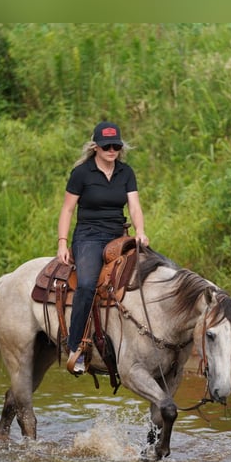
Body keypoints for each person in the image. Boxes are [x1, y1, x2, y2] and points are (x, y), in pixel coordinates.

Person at [57, 121, 149, 374]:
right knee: (86, 285)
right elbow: (67, 209)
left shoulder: (126, 172)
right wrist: (62, 243)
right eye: (106, 145)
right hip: (88, 235)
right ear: (95, 146)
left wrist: (140, 232)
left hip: (118, 235)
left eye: (116, 145)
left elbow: (134, 207)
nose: (112, 150)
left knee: (147, 274)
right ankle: (75, 347)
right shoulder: (82, 173)